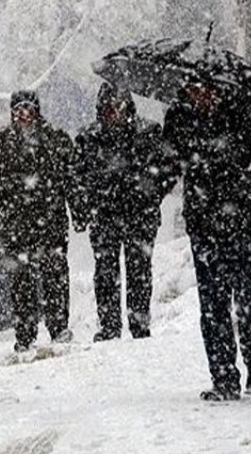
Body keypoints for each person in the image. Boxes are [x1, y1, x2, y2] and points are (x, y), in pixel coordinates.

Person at [164, 81, 251, 402]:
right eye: (194, 90)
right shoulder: (181, 118)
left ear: (220, 88)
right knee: (213, 307)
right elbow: (166, 166)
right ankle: (223, 377)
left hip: (248, 224)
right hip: (205, 227)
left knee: (250, 301)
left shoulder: (250, 114)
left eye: (205, 89)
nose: (201, 96)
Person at [0, 90, 83, 352]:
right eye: (19, 109)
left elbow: (73, 180)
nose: (24, 115)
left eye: (28, 109)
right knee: (21, 280)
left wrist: (79, 211)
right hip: (15, 224)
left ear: (37, 110)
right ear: (12, 113)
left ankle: (59, 327)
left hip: (51, 221)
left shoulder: (56, 141)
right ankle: (25, 333)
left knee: (55, 274)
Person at [75, 84, 177, 341]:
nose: (115, 113)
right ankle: (109, 326)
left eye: (119, 107)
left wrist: (152, 194)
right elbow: (76, 176)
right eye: (109, 108)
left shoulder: (149, 133)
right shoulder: (88, 138)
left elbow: (169, 169)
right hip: (105, 215)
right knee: (106, 271)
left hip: (140, 215)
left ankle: (139, 324)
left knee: (139, 270)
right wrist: (88, 202)